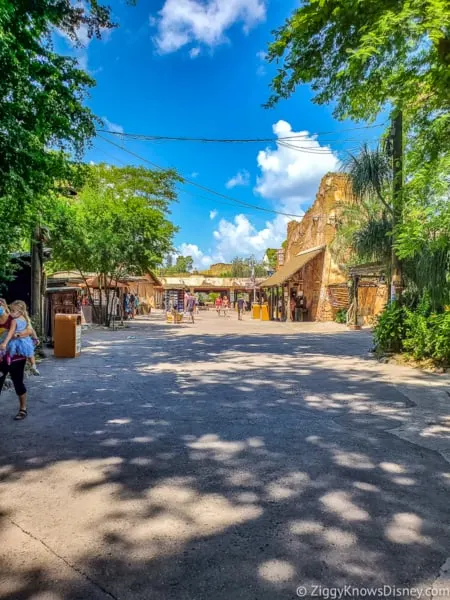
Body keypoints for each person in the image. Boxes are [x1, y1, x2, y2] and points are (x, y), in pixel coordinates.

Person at [0, 299, 34, 420]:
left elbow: (29, 330)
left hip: (16, 357)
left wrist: (19, 335)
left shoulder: (13, 318)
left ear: (4, 307)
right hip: (1, 358)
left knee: (18, 383)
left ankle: (23, 408)